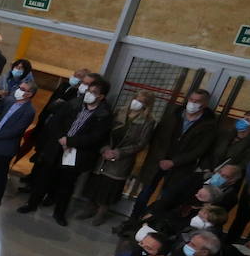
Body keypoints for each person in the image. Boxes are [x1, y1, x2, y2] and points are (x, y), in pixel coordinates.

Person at [20, 76, 113, 226]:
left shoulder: (104, 115)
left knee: (66, 185)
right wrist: (61, 138)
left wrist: (70, 142)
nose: (89, 94)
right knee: (43, 178)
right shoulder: (74, 103)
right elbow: (56, 121)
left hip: (76, 153)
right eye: (88, 91)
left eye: (93, 92)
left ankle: (59, 213)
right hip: (56, 147)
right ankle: (32, 204)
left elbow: (96, 137)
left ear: (101, 96)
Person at [123, 88, 218, 230]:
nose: (192, 103)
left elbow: (199, 150)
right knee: (145, 192)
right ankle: (133, 220)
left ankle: (151, 225)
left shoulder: (208, 125)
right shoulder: (174, 114)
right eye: (191, 99)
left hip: (180, 167)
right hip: (157, 162)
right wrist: (159, 157)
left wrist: (174, 162)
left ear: (204, 104)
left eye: (197, 101)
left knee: (167, 198)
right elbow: (158, 136)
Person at [79, 92, 155, 225]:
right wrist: (105, 148)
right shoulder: (120, 111)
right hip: (105, 153)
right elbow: (105, 130)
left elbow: (141, 143)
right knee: (96, 182)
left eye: (141, 101)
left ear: (146, 105)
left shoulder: (148, 121)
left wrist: (118, 153)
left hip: (122, 160)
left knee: (110, 186)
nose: (136, 102)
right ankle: (89, 207)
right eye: (136, 99)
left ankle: (101, 212)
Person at [0, 80, 37, 209]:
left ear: (30, 94)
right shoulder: (9, 100)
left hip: (6, 146)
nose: (18, 90)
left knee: (0, 174)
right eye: (19, 87)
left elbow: (16, 130)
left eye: (23, 89)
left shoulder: (29, 111)